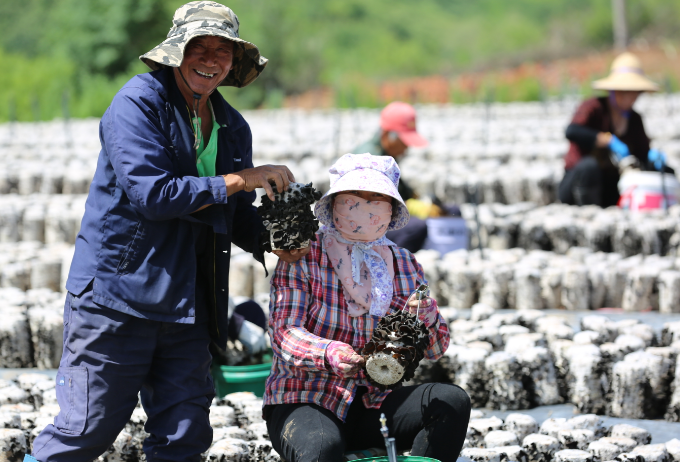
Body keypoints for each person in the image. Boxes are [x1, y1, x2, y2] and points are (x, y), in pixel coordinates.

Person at [26, 3, 308, 462]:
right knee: (87, 431)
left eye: (223, 51)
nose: (211, 59)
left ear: (234, 63)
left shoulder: (232, 127)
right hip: (118, 298)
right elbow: (153, 195)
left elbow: (234, 214)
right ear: (178, 52)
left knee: (183, 437)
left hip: (189, 303)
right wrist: (241, 178)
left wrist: (278, 241)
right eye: (200, 47)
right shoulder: (137, 104)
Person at [263, 153, 471, 462]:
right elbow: (283, 333)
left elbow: (436, 349)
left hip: (375, 401)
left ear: (391, 209)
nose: (366, 207)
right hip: (307, 396)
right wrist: (329, 353)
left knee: (451, 401)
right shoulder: (304, 255)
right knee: (323, 447)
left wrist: (426, 314)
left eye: (377, 198)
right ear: (334, 204)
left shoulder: (403, 263)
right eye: (355, 198)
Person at [559, 52, 671, 207]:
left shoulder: (635, 120)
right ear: (614, 91)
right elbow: (572, 131)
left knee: (665, 171)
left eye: (635, 93)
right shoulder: (594, 108)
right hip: (579, 184)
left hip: (609, 188)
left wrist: (652, 158)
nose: (630, 98)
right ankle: (587, 214)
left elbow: (641, 153)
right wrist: (607, 140)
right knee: (589, 167)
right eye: (625, 92)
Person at [353, 101, 447, 253]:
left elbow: (403, 190)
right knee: (417, 227)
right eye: (404, 141)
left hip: (379, 219)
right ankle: (392, 265)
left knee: (449, 210)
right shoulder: (371, 159)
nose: (406, 147)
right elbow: (373, 206)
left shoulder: (387, 155)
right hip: (365, 228)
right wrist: (417, 208)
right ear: (388, 135)